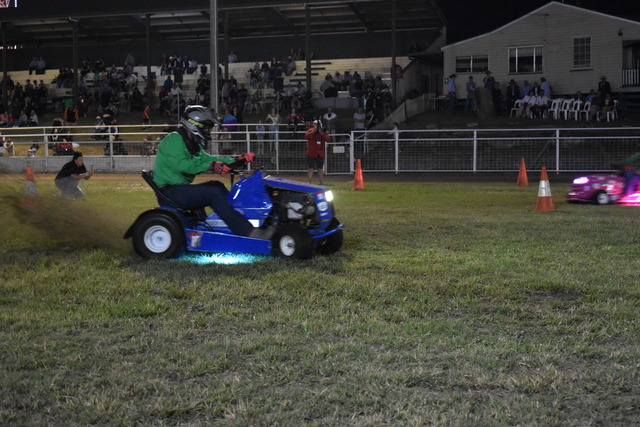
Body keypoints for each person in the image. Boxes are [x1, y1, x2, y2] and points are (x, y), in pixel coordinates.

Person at [152, 105, 273, 239]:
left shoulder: (191, 144)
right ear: (194, 124)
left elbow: (209, 159)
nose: (207, 131)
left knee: (217, 186)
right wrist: (211, 166)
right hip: (170, 192)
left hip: (178, 189)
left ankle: (235, 223)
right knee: (213, 193)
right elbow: (183, 165)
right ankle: (248, 232)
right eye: (206, 127)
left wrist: (235, 160)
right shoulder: (174, 139)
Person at [304, 119, 330, 185]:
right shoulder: (310, 130)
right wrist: (313, 132)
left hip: (320, 152)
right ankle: (309, 181)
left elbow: (328, 139)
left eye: (317, 124)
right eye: (314, 124)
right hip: (312, 152)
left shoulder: (322, 131)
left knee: (320, 168)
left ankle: (321, 181)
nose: (315, 125)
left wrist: (323, 134)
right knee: (311, 167)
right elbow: (306, 137)